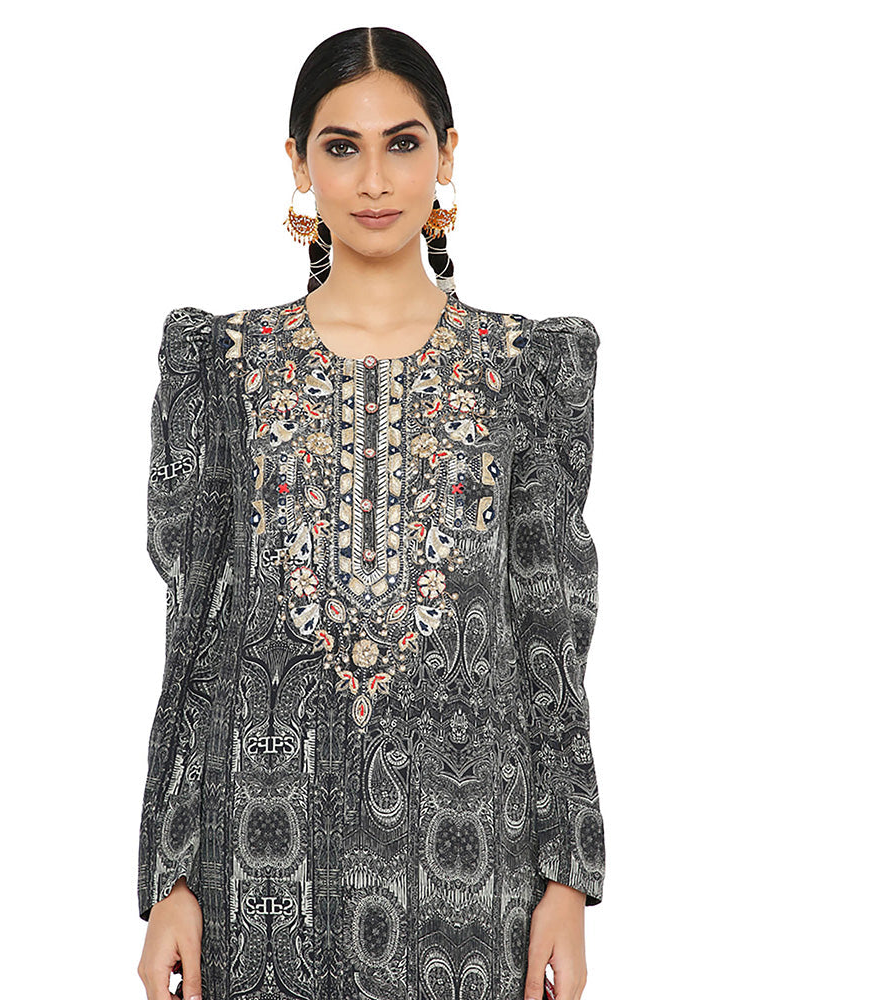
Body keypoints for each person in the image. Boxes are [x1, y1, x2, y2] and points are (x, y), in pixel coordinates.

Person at [136, 25, 605, 1000]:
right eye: (342, 147)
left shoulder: (526, 370)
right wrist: (170, 879)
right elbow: (195, 635)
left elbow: (552, 639)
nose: (375, 180)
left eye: (403, 142)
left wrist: (566, 881)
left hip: (472, 868)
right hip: (262, 871)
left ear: (447, 153)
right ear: (298, 163)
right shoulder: (225, 366)